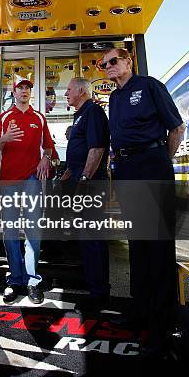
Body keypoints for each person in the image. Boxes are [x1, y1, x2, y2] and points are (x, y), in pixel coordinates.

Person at [102, 47, 185, 356]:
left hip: (152, 165)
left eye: (113, 61)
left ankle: (163, 326)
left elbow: (175, 127)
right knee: (138, 244)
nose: (108, 66)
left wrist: (162, 161)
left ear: (128, 62)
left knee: (158, 246)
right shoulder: (113, 97)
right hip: (125, 169)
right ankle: (139, 311)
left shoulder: (149, 85)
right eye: (104, 64)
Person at [0, 80, 56, 305]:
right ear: (14, 92)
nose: (25, 91)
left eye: (28, 88)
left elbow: (48, 145)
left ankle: (32, 281)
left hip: (31, 180)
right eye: (21, 88)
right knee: (10, 233)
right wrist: (5, 138)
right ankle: (14, 280)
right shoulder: (5, 117)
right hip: (8, 181)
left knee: (32, 233)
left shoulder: (39, 117)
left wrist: (45, 158)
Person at [62, 77, 111, 311]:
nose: (66, 94)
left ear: (82, 90)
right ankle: (94, 288)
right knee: (85, 238)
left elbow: (97, 148)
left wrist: (83, 179)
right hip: (79, 179)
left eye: (69, 90)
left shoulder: (93, 111)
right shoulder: (80, 114)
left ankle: (99, 294)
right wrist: (68, 173)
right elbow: (80, 150)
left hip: (90, 183)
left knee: (93, 240)